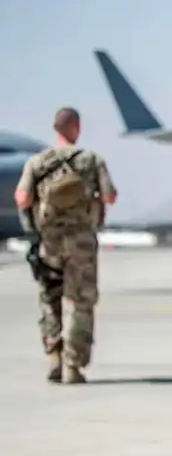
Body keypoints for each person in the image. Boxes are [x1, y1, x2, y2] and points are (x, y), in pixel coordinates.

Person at [13, 107, 117, 384]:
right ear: (77, 127)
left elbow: (22, 198)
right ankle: (74, 365)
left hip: (49, 244)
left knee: (50, 299)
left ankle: (54, 358)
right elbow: (110, 197)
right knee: (81, 302)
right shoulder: (91, 160)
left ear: (55, 128)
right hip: (81, 242)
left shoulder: (37, 162)